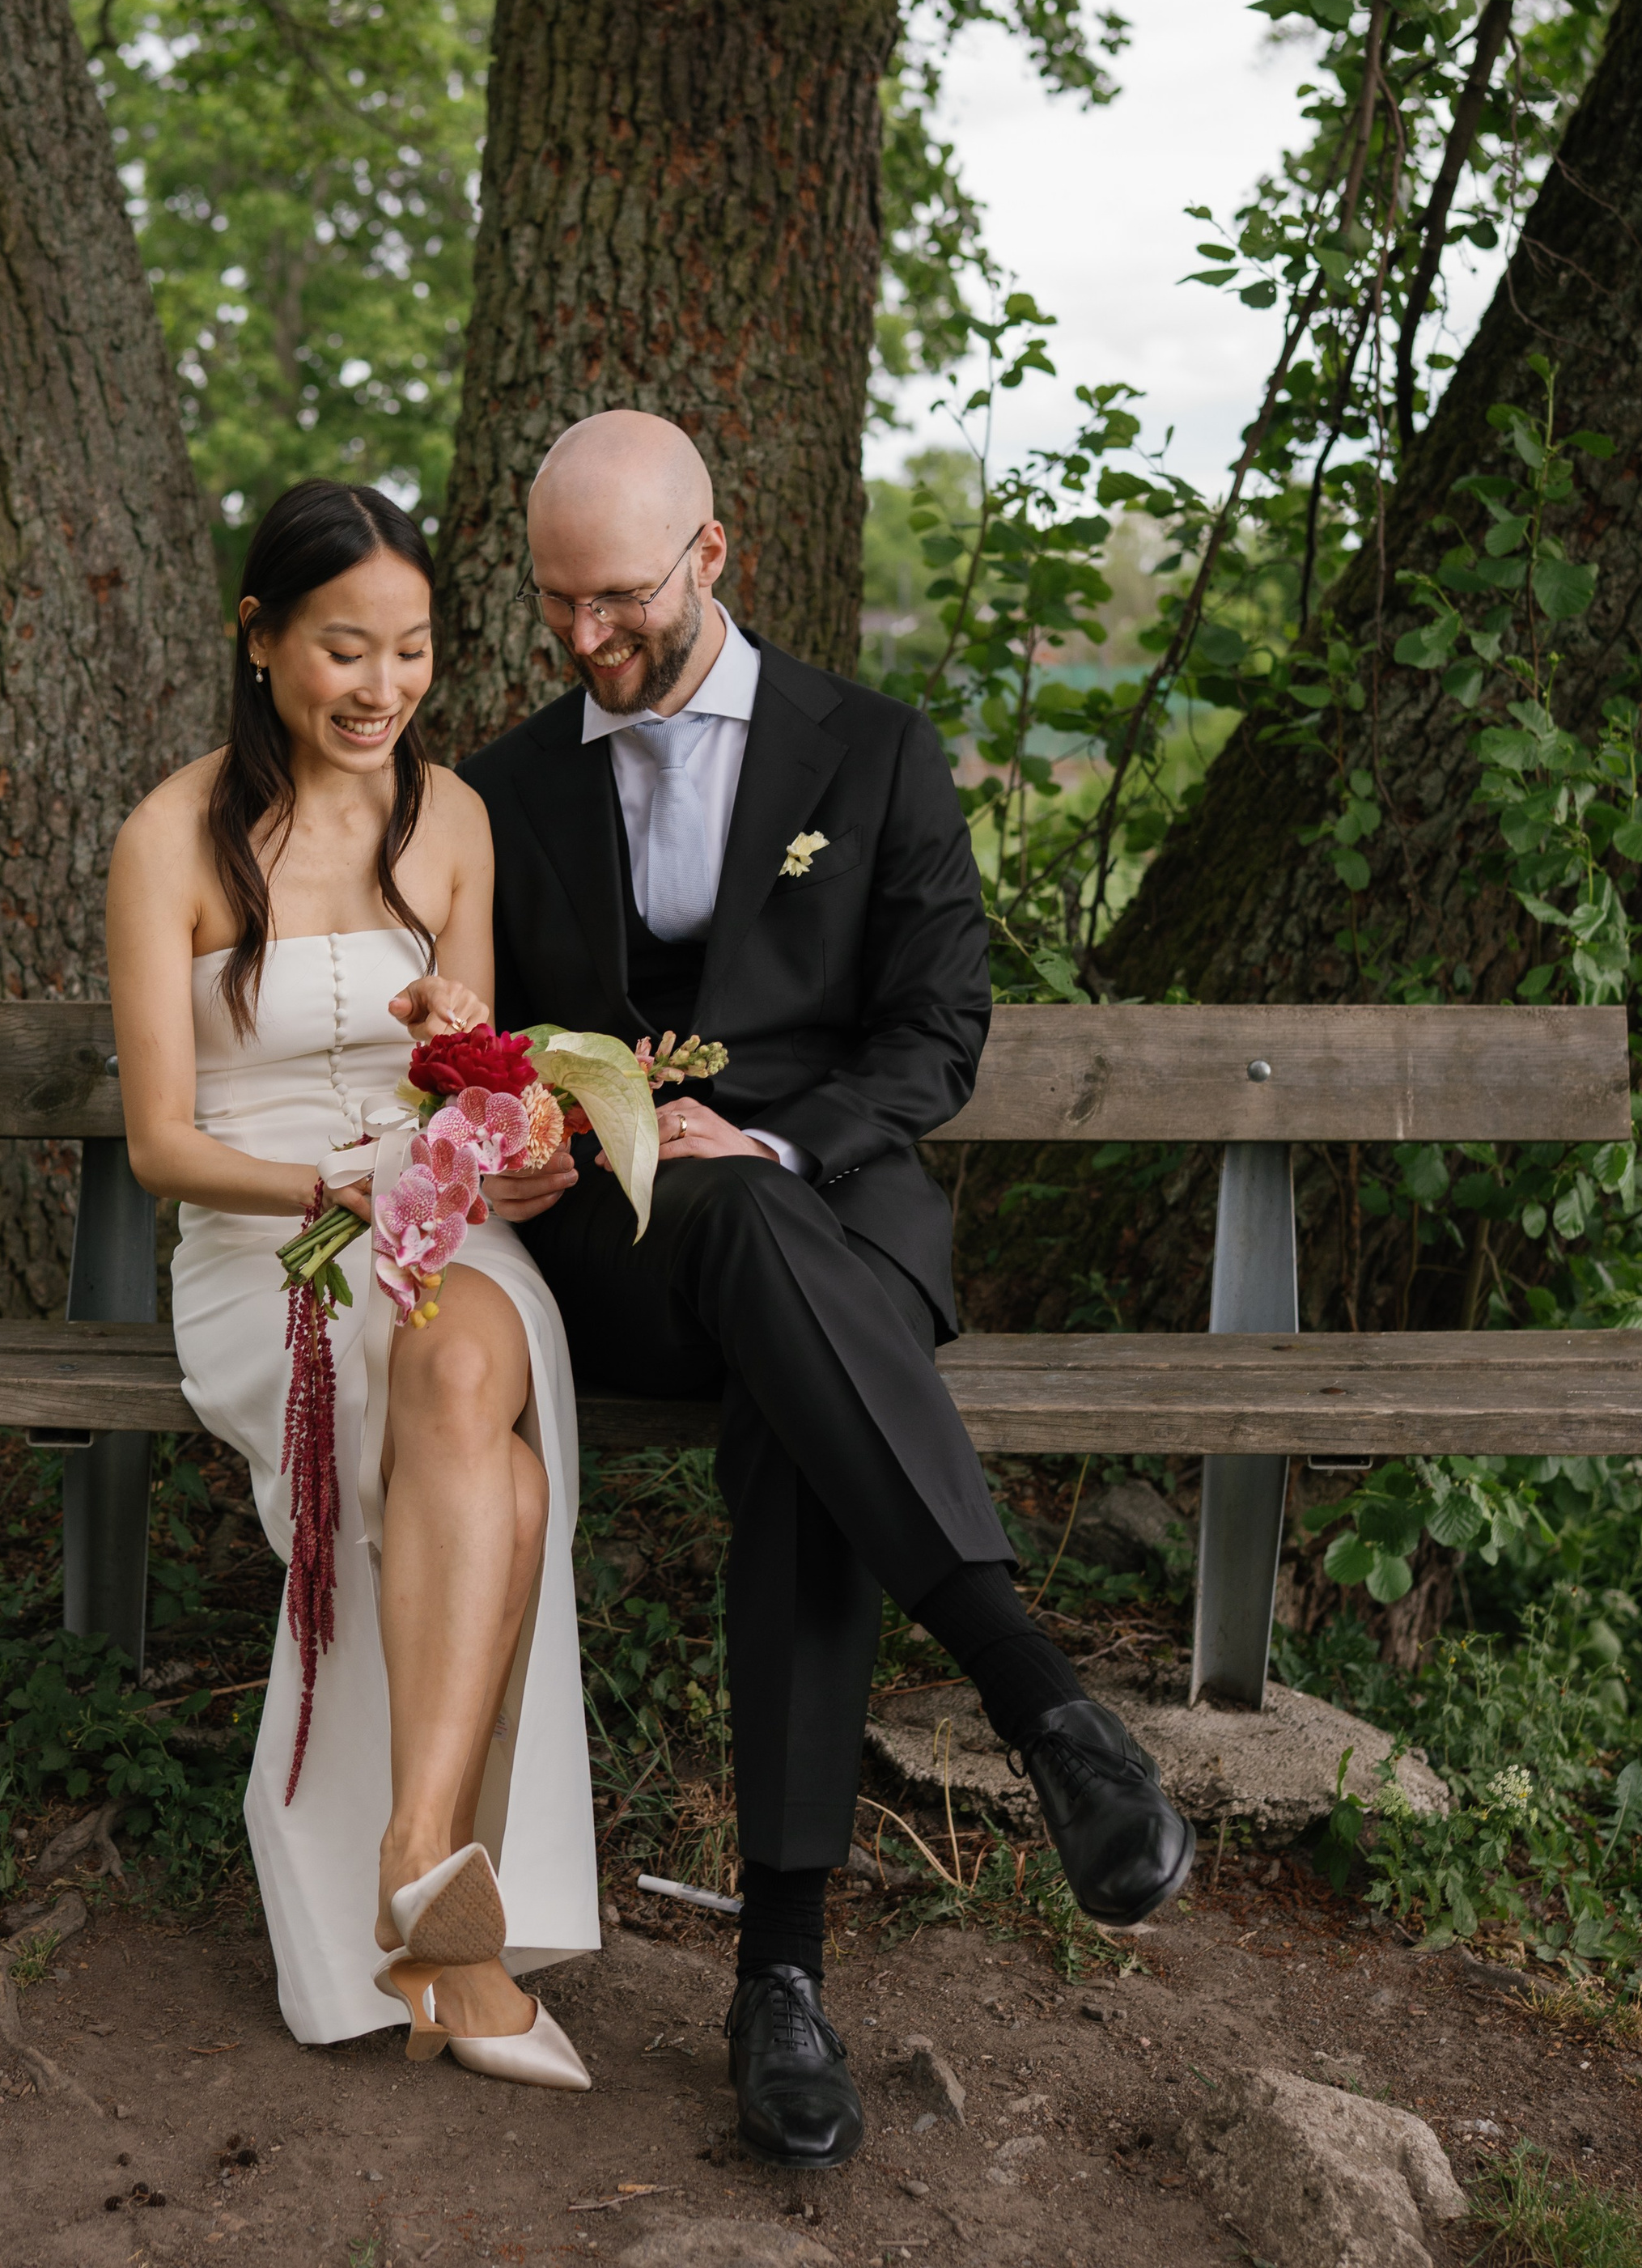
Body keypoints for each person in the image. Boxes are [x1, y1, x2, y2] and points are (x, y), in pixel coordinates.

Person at [463, 411, 1194, 2169]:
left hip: (831, 1219)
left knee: (786, 1340)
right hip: (621, 1253)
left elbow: (935, 1032)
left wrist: (771, 1140)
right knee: (729, 1248)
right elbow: (467, 1039)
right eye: (555, 602)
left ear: (712, 555)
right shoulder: (497, 788)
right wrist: (550, 1129)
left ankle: (778, 1987)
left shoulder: (869, 753)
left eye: (619, 598)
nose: (584, 640)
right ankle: (1036, 1707)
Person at [108, 479, 593, 2087]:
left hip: (437, 1228)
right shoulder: (169, 838)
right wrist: (333, 1190)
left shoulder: (445, 820)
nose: (379, 689)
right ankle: (446, 1927)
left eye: (410, 651)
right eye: (341, 650)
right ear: (260, 643)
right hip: (274, 1235)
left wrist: (494, 1106)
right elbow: (164, 1144)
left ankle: (410, 1858)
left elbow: (476, 1083)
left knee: (462, 1368)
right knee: (499, 1492)